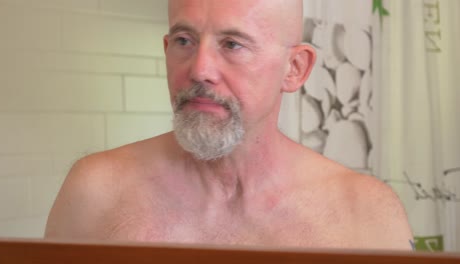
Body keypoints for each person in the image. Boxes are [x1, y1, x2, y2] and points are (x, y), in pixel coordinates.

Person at [45, 0, 413, 250]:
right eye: (184, 40)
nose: (199, 69)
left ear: (295, 68)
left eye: (233, 44)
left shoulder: (365, 211)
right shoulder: (95, 190)